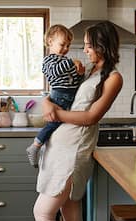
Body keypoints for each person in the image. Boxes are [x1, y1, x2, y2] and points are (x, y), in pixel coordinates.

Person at [22, 20, 123, 221]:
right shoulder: (89, 70)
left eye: (89, 45)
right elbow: (59, 91)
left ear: (103, 45)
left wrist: (55, 113)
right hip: (60, 145)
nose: (85, 50)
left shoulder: (113, 77)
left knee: (42, 211)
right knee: (69, 211)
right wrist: (47, 102)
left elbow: (91, 117)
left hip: (74, 149)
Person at [26, 24, 85, 168]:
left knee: (62, 127)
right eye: (62, 44)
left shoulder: (65, 61)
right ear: (50, 42)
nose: (65, 48)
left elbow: (74, 82)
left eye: (68, 45)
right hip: (59, 97)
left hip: (69, 97)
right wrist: (73, 62)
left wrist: (80, 74)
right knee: (54, 123)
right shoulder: (48, 61)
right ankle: (35, 146)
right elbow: (55, 72)